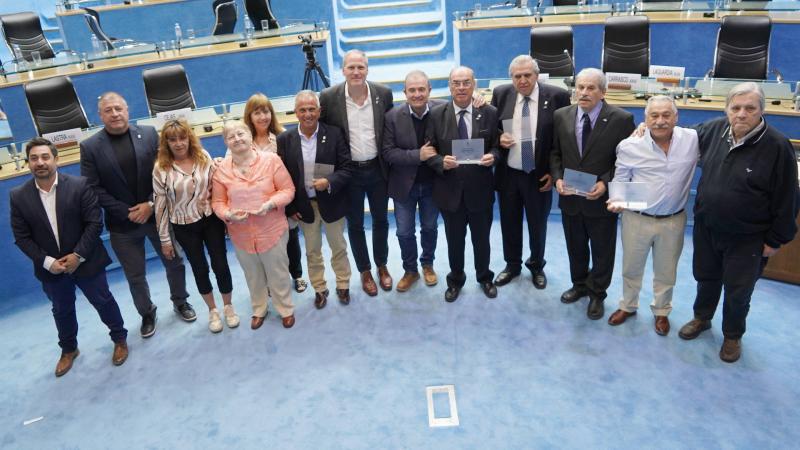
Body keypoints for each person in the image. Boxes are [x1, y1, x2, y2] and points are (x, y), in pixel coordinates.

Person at [677, 82, 798, 362]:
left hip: (748, 237)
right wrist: (644, 129)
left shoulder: (778, 146)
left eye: (750, 108)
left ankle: (732, 335)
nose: (742, 114)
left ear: (762, 110)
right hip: (708, 227)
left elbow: (788, 199)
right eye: (736, 108)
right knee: (706, 278)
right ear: (726, 109)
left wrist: (775, 240)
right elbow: (679, 136)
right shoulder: (713, 130)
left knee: (738, 290)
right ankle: (702, 317)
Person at [11, 138, 128, 377]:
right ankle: (69, 349)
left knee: (103, 301)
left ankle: (119, 339)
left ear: (56, 159)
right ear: (28, 163)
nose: (40, 162)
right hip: (50, 268)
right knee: (61, 310)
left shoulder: (80, 185)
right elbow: (22, 237)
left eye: (45, 157)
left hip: (86, 260)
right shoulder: (18, 196)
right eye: (34, 158)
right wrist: (48, 262)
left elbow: (94, 223)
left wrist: (78, 255)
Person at [80, 92, 193, 338]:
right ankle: (147, 313)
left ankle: (181, 301)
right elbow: (92, 187)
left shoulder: (149, 134)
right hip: (122, 225)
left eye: (118, 108)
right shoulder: (89, 147)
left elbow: (165, 171)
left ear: (127, 110)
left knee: (175, 262)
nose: (114, 114)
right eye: (108, 110)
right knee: (135, 276)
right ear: (100, 115)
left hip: (157, 215)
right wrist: (126, 212)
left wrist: (150, 204)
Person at [606, 96, 699, 336]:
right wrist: (617, 199)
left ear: (676, 117)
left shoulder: (692, 139)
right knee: (631, 267)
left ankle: (661, 311)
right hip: (636, 218)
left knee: (667, 271)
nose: (660, 121)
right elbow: (621, 178)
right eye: (654, 116)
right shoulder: (630, 145)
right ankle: (628, 305)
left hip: (673, 220)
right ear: (645, 119)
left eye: (666, 115)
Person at [551, 68, 635, 320]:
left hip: (600, 200)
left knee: (602, 250)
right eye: (580, 87)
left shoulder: (621, 119)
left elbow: (626, 160)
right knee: (575, 247)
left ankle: (597, 293)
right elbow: (555, 153)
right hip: (570, 198)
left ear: (603, 92)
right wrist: (557, 178)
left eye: (591, 88)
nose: (584, 92)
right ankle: (579, 285)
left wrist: (606, 183)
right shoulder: (561, 115)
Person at [491, 55, 571, 290]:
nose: (523, 80)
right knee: (509, 223)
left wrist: (555, 174)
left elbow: (564, 139)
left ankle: (536, 265)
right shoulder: (501, 94)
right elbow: (491, 127)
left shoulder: (557, 96)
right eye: (517, 76)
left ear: (537, 75)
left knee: (538, 224)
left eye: (527, 75)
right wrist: (499, 137)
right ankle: (512, 265)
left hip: (539, 175)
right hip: (509, 173)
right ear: (511, 78)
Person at [152, 119, 239, 333]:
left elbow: (218, 184)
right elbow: (160, 207)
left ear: (189, 138)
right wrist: (165, 240)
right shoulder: (160, 168)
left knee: (220, 264)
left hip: (210, 219)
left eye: (182, 138)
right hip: (183, 225)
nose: (179, 143)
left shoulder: (203, 156)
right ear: (166, 143)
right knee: (200, 268)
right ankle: (213, 310)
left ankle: (228, 306)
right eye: (173, 140)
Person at [319, 49, 394, 296]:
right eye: (351, 67)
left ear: (367, 69)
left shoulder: (383, 93)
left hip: (377, 169)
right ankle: (365, 270)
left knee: (381, 220)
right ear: (343, 70)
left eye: (360, 67)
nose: (356, 72)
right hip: (349, 173)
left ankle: (381, 265)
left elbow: (391, 127)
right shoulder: (329, 97)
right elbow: (324, 135)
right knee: (356, 224)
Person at [211, 121, 297, 329]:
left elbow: (288, 190)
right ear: (225, 142)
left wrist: (270, 204)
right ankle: (259, 309)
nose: (237, 139)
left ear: (250, 135)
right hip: (241, 234)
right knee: (253, 274)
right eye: (231, 136)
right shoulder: (221, 170)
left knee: (278, 272)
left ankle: (285, 309)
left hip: (272, 229)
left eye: (241, 133)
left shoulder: (271, 160)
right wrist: (228, 214)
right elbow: (218, 202)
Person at [425, 66, 500, 302]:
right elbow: (429, 150)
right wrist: (440, 162)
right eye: (456, 83)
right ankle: (455, 280)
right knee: (454, 242)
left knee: (482, 240)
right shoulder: (436, 114)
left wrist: (493, 156)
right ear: (449, 86)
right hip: (450, 192)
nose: (461, 87)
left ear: (474, 84)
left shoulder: (489, 112)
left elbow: (498, 145)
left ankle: (485, 277)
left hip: (480, 190)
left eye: (466, 82)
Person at [277, 90, 354, 308]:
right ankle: (319, 288)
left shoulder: (335, 134)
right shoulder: (285, 140)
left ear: (319, 111)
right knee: (312, 251)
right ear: (296, 112)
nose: (308, 114)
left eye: (312, 109)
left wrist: (329, 181)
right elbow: (282, 177)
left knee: (338, 247)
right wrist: (290, 207)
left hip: (332, 201)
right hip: (304, 206)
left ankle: (343, 284)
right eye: (302, 110)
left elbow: (347, 168)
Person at [382, 70, 443, 292]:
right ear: (404, 92)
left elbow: (466, 104)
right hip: (403, 186)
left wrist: (477, 97)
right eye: (412, 90)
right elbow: (388, 152)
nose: (417, 94)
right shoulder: (392, 117)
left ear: (429, 90)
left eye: (421, 89)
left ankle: (427, 264)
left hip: (433, 184)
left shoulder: (442, 109)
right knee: (404, 232)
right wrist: (418, 155)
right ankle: (410, 270)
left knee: (430, 227)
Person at [242, 93, 308, 294]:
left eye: (266, 111)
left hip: (282, 202)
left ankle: (297, 275)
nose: (263, 117)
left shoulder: (283, 137)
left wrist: (292, 206)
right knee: (265, 245)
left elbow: (294, 172)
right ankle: (271, 281)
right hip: (257, 205)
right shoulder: (243, 140)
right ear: (249, 116)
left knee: (291, 241)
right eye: (257, 113)